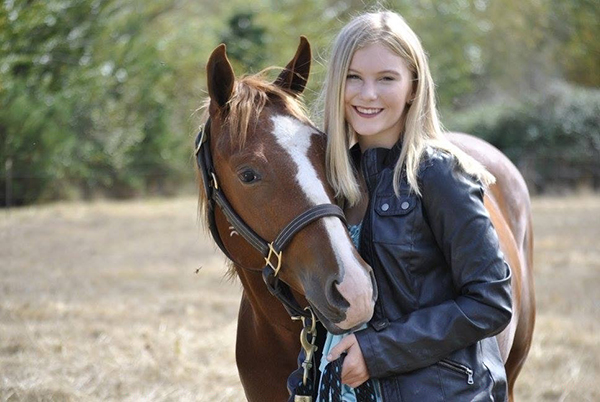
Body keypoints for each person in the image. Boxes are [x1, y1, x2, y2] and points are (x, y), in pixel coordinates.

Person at [288, 10, 513, 402]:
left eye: (386, 78)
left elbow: (490, 301)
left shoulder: (439, 174)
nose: (367, 94)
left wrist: (378, 352)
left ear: (413, 86)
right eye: (353, 77)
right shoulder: (331, 183)